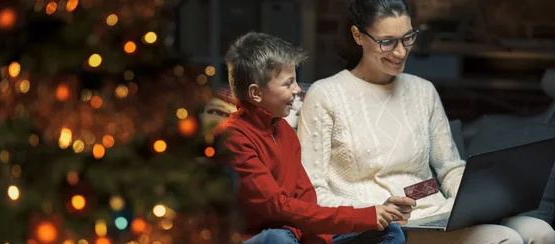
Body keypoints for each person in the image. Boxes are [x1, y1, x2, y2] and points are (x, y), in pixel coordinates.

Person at [296, 0, 555, 243]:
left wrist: (481, 198)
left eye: (408, 37)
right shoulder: (326, 95)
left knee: (540, 231)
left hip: (436, 212)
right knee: (500, 238)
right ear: (358, 36)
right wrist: (375, 211)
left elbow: (450, 168)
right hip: (385, 226)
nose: (400, 52)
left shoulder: (423, 91)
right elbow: (312, 192)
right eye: (387, 42)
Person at [214, 31, 409, 244]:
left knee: (389, 232)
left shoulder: (284, 130)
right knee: (278, 238)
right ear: (256, 93)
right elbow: (277, 208)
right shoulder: (233, 137)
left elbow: (306, 199)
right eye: (288, 83)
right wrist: (360, 216)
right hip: (258, 237)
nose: (298, 89)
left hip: (294, 231)